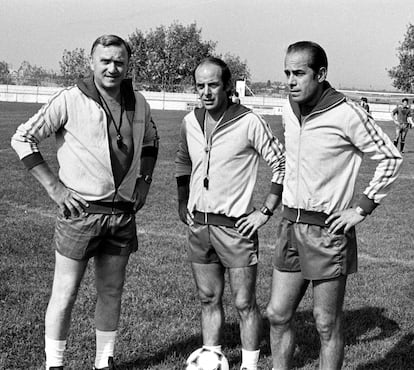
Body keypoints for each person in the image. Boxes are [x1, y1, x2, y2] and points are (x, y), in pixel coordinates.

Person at [11, 34, 159, 370]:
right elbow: (22, 138)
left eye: (119, 61)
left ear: (128, 64)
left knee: (111, 291)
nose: (112, 67)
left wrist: (145, 182)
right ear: (91, 63)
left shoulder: (140, 101)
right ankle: (55, 364)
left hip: (121, 215)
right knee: (65, 294)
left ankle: (103, 362)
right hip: (80, 214)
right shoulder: (69, 99)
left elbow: (152, 141)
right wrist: (56, 188)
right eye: (105, 61)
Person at [266, 41, 402, 370]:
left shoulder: (347, 113)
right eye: (287, 72)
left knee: (326, 322)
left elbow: (390, 157)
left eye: (299, 73)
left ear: (321, 73)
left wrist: (360, 208)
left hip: (328, 232)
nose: (290, 80)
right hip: (290, 226)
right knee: (277, 314)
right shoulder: (288, 106)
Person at [175, 56, 285, 370]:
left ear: (227, 86)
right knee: (208, 299)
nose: (206, 92)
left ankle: (249, 365)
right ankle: (211, 358)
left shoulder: (248, 121)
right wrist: (183, 203)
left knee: (244, 302)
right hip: (200, 227)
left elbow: (282, 163)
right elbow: (183, 162)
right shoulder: (190, 122)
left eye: (213, 85)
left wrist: (265, 211)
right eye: (200, 86)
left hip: (236, 229)